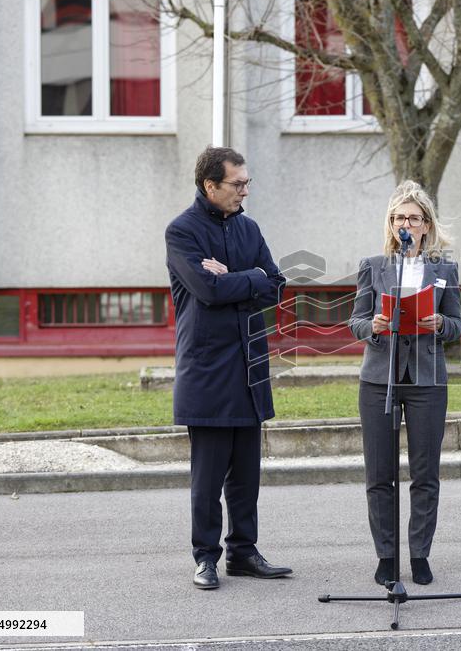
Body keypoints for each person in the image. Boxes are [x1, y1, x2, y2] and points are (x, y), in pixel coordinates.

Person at [165, 146, 293, 589]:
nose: (244, 191)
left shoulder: (248, 227)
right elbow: (208, 291)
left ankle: (243, 553)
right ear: (210, 186)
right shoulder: (182, 231)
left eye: (246, 183)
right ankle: (205, 557)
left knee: (246, 475)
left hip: (249, 366)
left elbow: (276, 285)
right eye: (237, 184)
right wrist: (250, 278)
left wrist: (237, 276)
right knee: (208, 478)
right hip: (207, 370)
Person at [347, 180, 461, 586]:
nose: (405, 225)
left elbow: (458, 326)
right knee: (379, 474)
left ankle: (419, 555)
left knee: (425, 474)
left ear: (426, 225)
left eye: (413, 218)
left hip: (427, 380)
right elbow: (356, 321)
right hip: (380, 378)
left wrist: (440, 323)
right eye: (398, 218)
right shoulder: (374, 266)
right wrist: (374, 326)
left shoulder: (444, 269)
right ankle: (386, 555)